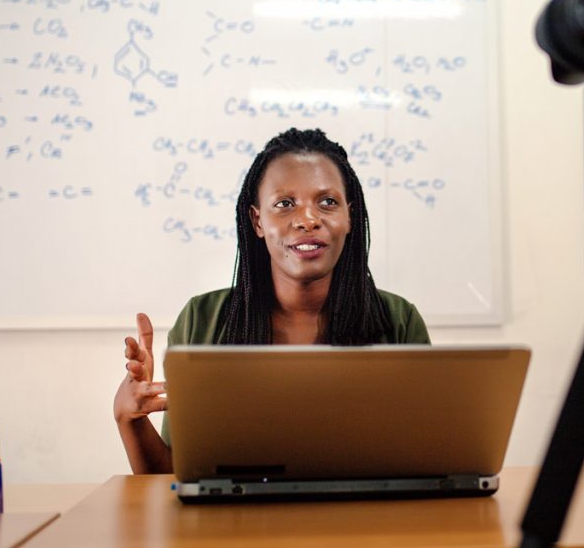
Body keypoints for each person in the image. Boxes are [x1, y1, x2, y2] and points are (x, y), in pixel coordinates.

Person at [113, 128, 430, 473]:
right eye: (284, 204)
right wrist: (128, 417)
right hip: (237, 525)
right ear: (257, 220)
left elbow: (423, 463)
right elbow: (176, 478)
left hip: (367, 522)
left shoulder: (398, 320)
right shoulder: (203, 320)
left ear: (349, 217)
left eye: (328, 202)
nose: (308, 219)